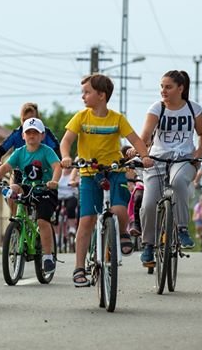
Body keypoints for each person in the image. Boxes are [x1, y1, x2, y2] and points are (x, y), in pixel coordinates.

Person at [60, 73, 151, 287]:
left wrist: (144, 156)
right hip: (89, 174)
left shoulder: (117, 119)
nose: (83, 96)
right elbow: (66, 141)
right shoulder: (81, 117)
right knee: (87, 220)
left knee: (120, 209)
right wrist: (65, 156)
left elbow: (136, 140)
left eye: (87, 92)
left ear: (101, 95)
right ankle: (79, 267)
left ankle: (121, 234)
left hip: (114, 170)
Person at [137, 70, 202, 268]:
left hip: (184, 160)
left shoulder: (193, 109)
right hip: (157, 160)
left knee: (178, 182)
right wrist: (139, 152)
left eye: (168, 87)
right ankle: (148, 245)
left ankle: (183, 229)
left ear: (180, 88)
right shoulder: (156, 108)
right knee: (149, 203)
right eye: (162, 86)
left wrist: (198, 152)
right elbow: (144, 136)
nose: (163, 91)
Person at [0, 117, 62, 273]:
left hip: (45, 189)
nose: (32, 136)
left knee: (43, 221)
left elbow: (57, 166)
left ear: (42, 135)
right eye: (28, 133)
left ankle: (47, 257)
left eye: (35, 133)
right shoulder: (19, 152)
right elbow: (5, 167)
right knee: (14, 187)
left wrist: (54, 181)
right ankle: (18, 221)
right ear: (23, 136)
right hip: (27, 187)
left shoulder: (47, 151)